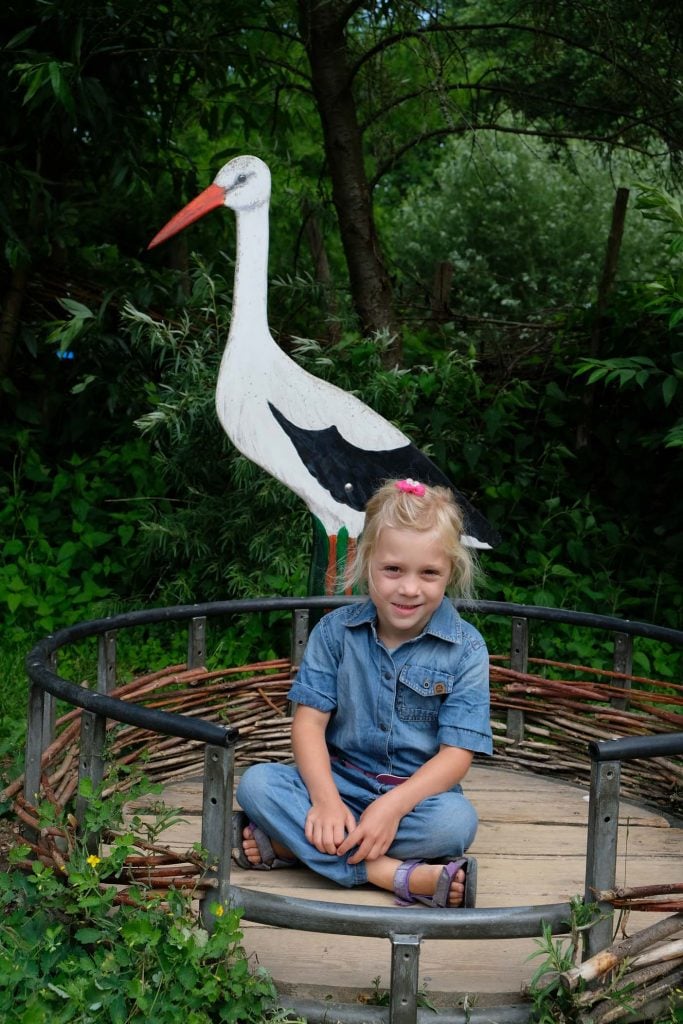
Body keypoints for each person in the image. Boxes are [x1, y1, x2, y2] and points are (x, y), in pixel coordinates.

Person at [233, 478, 493, 908]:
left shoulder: (466, 649)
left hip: (414, 798)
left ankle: (290, 849)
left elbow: (456, 756)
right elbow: (308, 726)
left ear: (451, 572)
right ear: (367, 561)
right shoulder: (335, 633)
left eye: (429, 573)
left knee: (455, 824)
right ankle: (391, 873)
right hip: (337, 780)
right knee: (257, 784)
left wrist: (390, 808)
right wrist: (325, 802)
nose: (409, 588)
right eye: (393, 569)